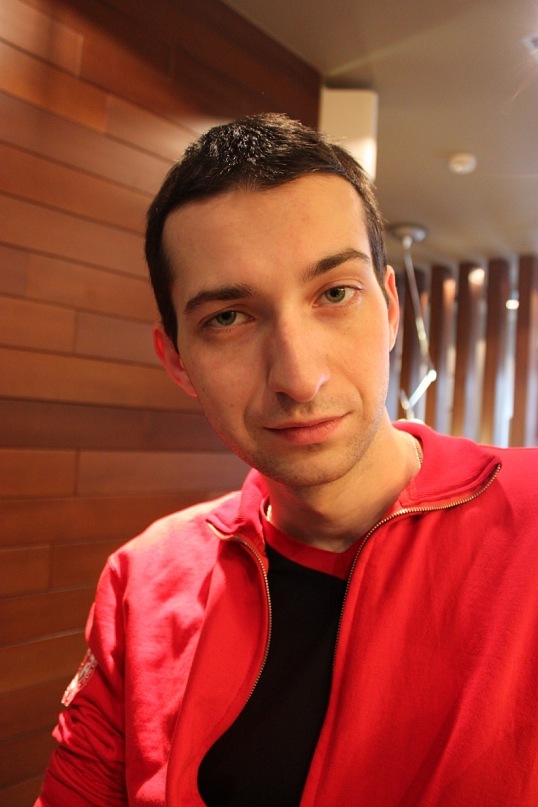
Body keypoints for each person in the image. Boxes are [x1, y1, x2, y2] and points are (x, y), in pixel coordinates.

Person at [37, 114, 538, 807]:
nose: (299, 379)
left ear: (391, 309)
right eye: (228, 318)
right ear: (177, 360)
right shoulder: (144, 583)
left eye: (335, 293)